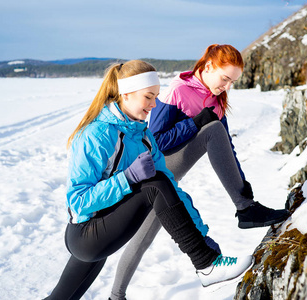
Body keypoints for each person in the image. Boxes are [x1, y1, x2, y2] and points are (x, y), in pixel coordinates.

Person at [43, 60, 254, 300]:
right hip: (85, 235)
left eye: (156, 97)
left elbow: (171, 188)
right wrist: (127, 177)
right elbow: (78, 202)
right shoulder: (96, 135)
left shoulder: (143, 135)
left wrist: (202, 235)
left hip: (104, 227)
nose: (154, 105)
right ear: (126, 93)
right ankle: (206, 264)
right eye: (148, 97)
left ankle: (206, 257)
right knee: (155, 185)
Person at [109, 45, 290, 300]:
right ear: (207, 68)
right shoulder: (178, 91)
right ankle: (244, 210)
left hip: (166, 178)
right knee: (212, 129)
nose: (227, 86)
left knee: (145, 234)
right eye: (225, 78)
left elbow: (226, 145)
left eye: (233, 82)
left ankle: (115, 296)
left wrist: (242, 185)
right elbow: (157, 140)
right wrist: (194, 124)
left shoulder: (216, 102)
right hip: (154, 168)